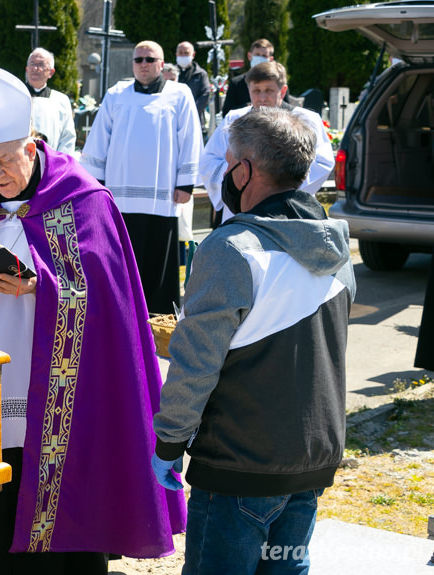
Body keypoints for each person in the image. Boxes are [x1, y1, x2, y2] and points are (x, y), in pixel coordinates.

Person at [0, 64, 186, 574]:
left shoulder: (84, 199)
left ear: (33, 147)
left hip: (65, 385)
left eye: (5, 160)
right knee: (3, 476)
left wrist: (38, 286)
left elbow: (109, 299)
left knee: (62, 477)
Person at [152, 106, 356, 574]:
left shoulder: (231, 249)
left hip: (238, 467)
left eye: (227, 163)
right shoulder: (337, 248)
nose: (223, 173)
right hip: (309, 461)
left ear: (244, 171)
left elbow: (195, 363)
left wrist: (168, 441)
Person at [80, 40, 202, 314]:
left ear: (161, 63)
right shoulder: (116, 94)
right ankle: (120, 313)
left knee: (158, 260)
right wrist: (96, 185)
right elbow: (100, 138)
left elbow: (190, 137)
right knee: (121, 258)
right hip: (120, 196)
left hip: (161, 195)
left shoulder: (179, 94)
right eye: (139, 60)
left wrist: (186, 182)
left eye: (150, 59)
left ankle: (158, 317)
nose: (144, 64)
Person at [202, 62, 335, 224]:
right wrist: (242, 181)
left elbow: (323, 162)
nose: (262, 98)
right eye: (256, 91)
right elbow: (209, 160)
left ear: (283, 91)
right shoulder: (234, 119)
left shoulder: (305, 119)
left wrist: (277, 188)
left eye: (269, 91)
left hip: (288, 206)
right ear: (248, 90)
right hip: (242, 203)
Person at [24, 47, 76, 155]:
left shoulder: (61, 100)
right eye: (32, 64)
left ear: (51, 72)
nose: (35, 68)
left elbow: (67, 137)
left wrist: (59, 163)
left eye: (41, 64)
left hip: (50, 162)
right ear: (27, 69)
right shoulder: (17, 96)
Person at [222, 38, 282, 116]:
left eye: (264, 56)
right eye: (257, 55)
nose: (260, 58)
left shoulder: (277, 81)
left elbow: (286, 108)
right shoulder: (236, 83)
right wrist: (248, 107)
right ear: (249, 56)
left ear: (270, 59)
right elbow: (226, 112)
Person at [175, 41, 210, 134]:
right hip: (174, 122)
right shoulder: (170, 73)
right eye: (180, 53)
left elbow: (205, 94)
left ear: (193, 54)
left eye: (186, 53)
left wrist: (190, 112)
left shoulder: (200, 74)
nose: (183, 55)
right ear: (176, 54)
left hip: (195, 121)